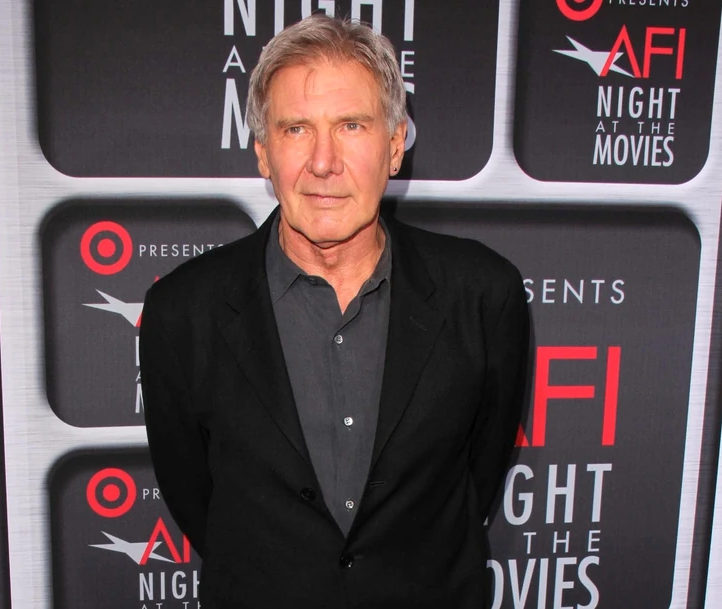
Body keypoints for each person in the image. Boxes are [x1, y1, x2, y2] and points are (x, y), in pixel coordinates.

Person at [140, 13, 529, 609]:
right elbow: (196, 497)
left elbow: (479, 472)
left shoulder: (482, 294)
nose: (323, 162)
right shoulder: (182, 312)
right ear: (263, 154)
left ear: (394, 147)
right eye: (296, 129)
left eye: (351, 125)